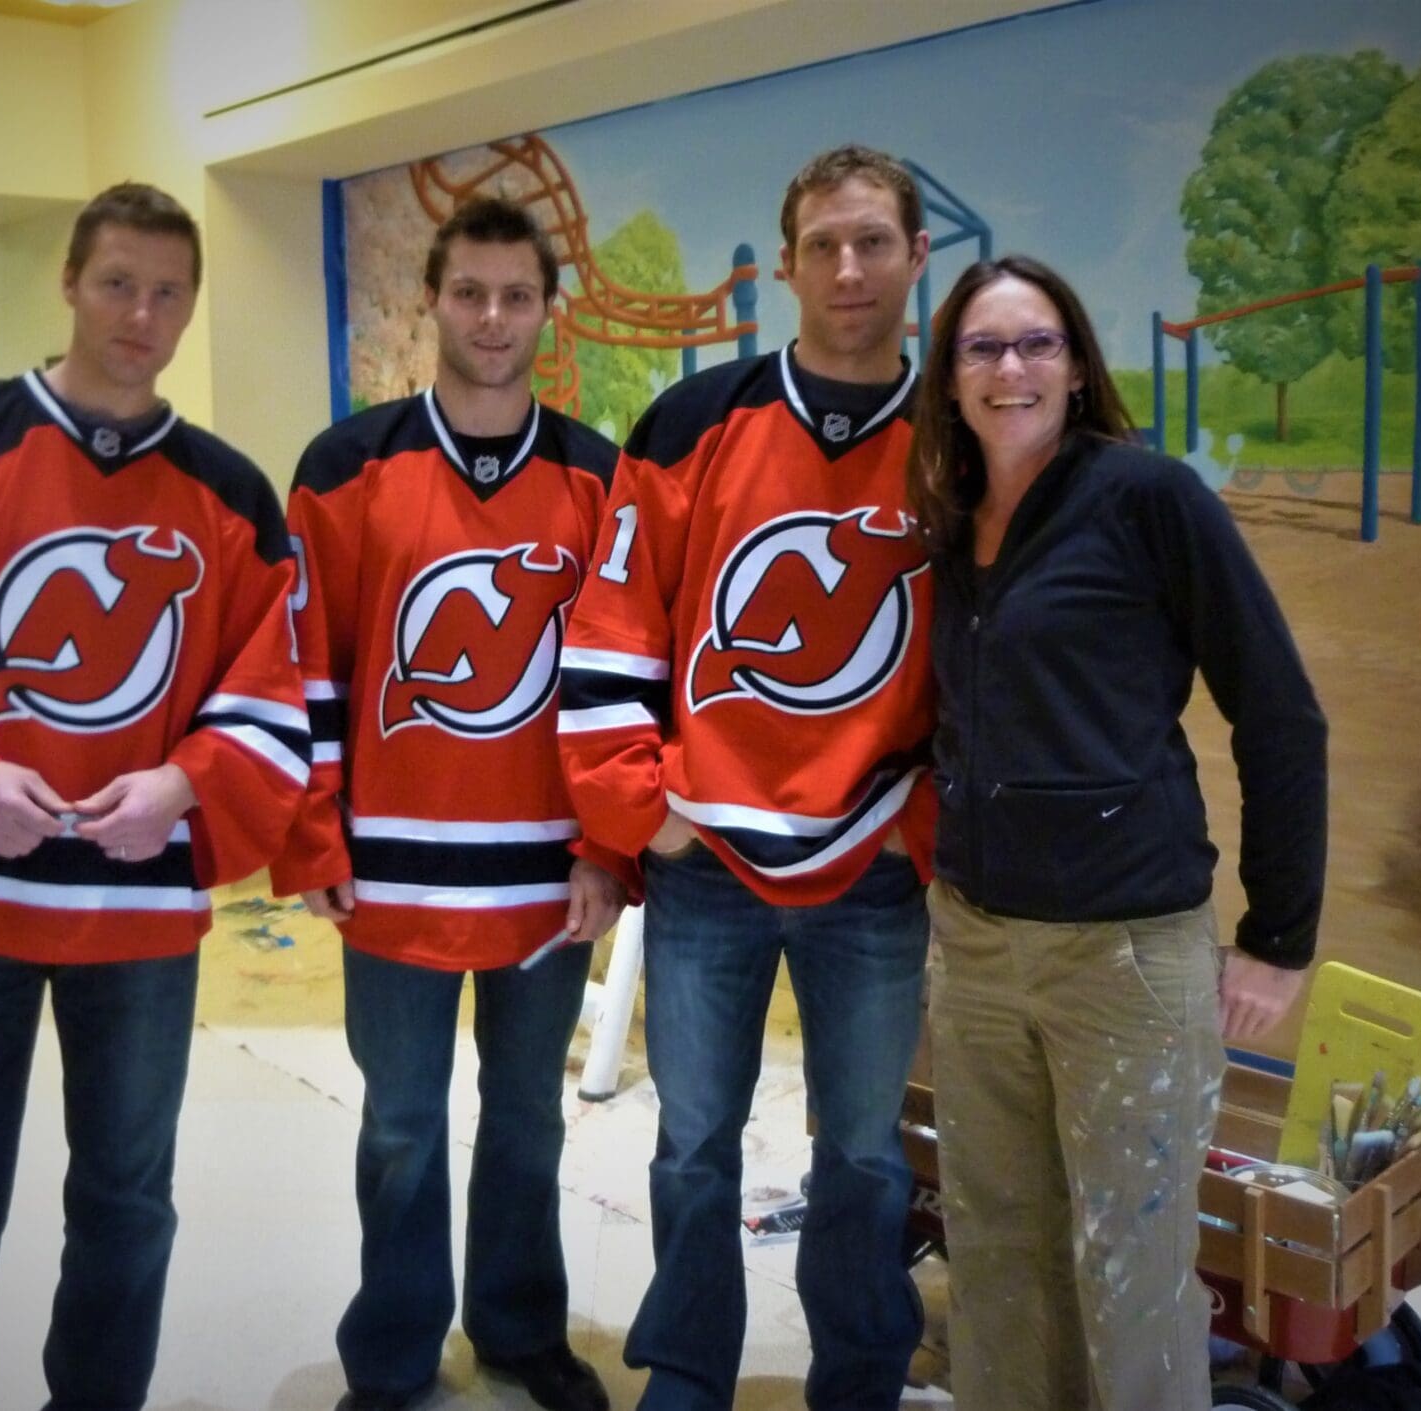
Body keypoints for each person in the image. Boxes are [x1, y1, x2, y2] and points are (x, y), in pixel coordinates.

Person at [0, 183, 310, 1411]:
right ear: (71, 281)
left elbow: (274, 686)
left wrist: (187, 780)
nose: (142, 313)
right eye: (119, 282)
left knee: (128, 1208)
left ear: (192, 305)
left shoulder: (234, 493)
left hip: (135, 918)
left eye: (170, 291)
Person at [904, 255, 1327, 1411]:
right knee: (994, 1244)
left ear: (1079, 367)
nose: (1011, 368)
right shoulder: (946, 529)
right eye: (983, 348)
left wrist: (1278, 936)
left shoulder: (1149, 499)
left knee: (1129, 1269)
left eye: (1037, 343)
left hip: (1126, 954)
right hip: (980, 949)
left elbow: (1280, 712)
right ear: (949, 378)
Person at [558, 145, 937, 1411]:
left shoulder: (960, 440)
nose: (847, 267)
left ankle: (862, 1375)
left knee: (870, 1159)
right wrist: (644, 814)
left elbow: (1000, 663)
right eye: (822, 243)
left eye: (873, 241)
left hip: (874, 869)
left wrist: (915, 825)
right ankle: (687, 1370)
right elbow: (613, 632)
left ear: (917, 257)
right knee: (691, 1147)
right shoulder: (692, 425)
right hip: (706, 863)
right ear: (784, 265)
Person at [273, 196, 625, 1411]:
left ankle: (523, 1330)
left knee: (527, 1121)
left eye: (515, 295)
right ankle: (394, 1347)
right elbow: (305, 664)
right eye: (469, 291)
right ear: (432, 296)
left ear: (546, 311)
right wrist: (313, 828)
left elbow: (615, 684)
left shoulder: (598, 476)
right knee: (402, 1129)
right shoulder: (347, 464)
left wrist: (608, 850)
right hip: (391, 872)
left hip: (544, 878)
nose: (491, 316)